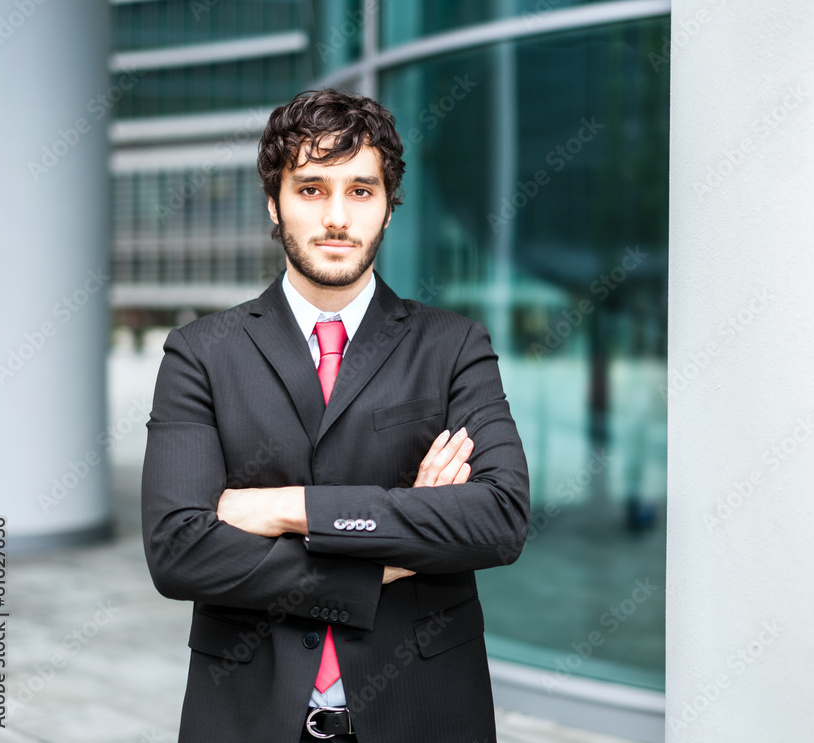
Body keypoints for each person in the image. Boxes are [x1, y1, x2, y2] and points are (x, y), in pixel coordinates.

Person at [141, 88, 530, 743]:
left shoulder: (452, 345)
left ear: (387, 206)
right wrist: (389, 557)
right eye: (312, 188)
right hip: (247, 716)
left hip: (422, 713)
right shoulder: (201, 353)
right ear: (275, 202)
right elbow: (179, 550)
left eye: (360, 190)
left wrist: (289, 507)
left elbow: (499, 519)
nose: (337, 217)